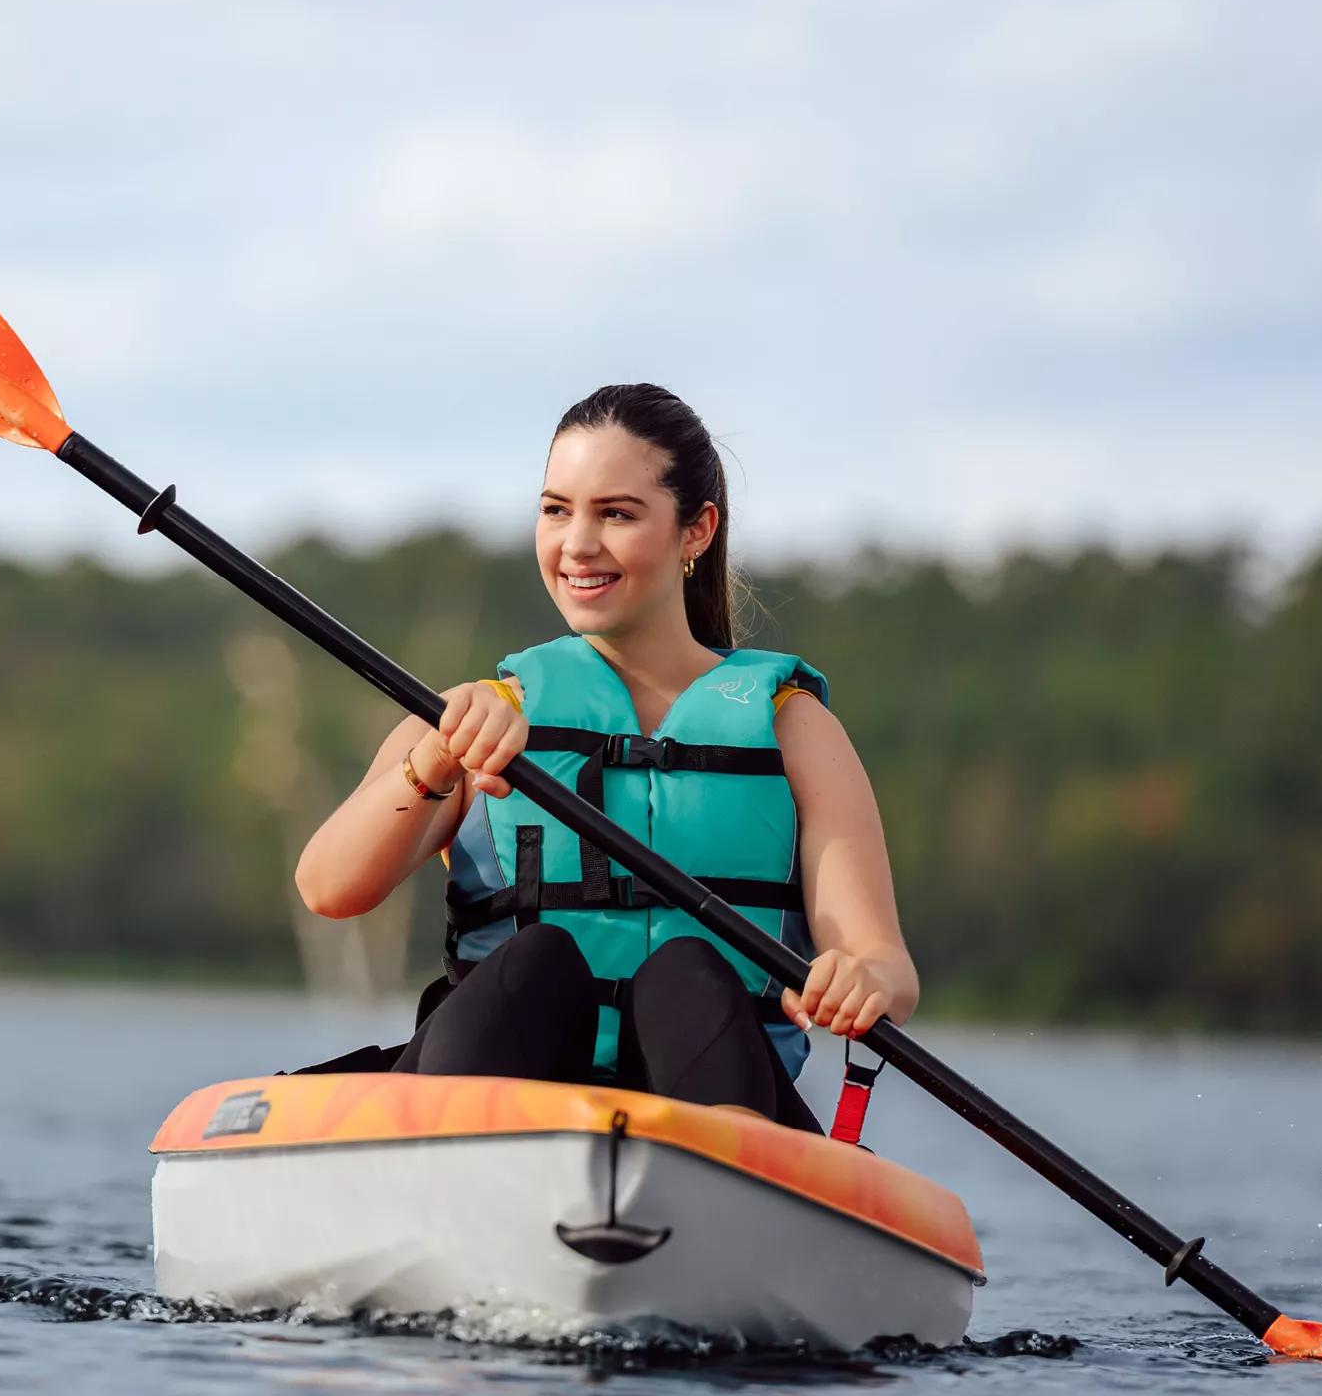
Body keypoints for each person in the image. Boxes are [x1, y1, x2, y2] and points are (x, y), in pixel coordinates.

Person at [293, 383, 918, 1132]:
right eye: (556, 509)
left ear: (697, 531)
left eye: (615, 513)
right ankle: (438, 1161)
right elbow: (329, 888)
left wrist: (864, 979)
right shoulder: (480, 714)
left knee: (687, 974)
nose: (577, 544)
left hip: (710, 1100)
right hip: (496, 1096)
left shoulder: (793, 727)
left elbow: (883, 962)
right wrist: (438, 759)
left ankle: (717, 1185)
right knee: (537, 962)